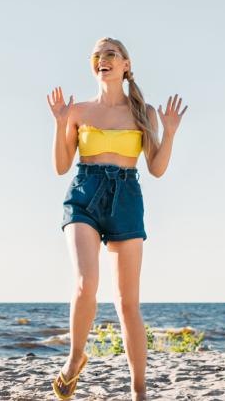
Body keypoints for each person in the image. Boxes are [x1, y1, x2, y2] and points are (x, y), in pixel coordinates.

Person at [45, 38, 186, 401]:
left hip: (126, 198)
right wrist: (60, 124)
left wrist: (168, 134)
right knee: (85, 282)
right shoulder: (77, 111)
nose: (102, 59)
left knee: (127, 304)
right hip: (84, 195)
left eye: (110, 54)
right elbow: (61, 166)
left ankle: (139, 392)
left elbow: (156, 169)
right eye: (97, 55)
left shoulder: (144, 113)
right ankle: (76, 358)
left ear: (125, 64)